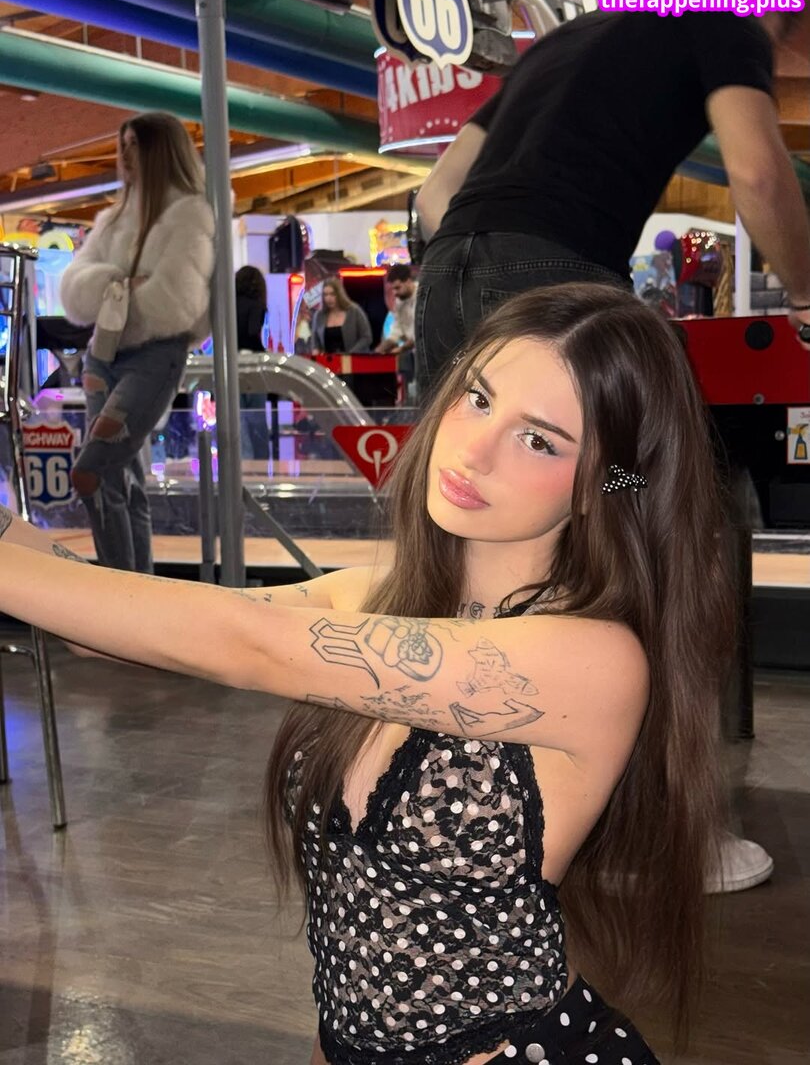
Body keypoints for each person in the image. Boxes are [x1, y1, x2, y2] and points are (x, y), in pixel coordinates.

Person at [0, 284, 736, 1064]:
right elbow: (132, 627)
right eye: (478, 398)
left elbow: (244, 642)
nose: (474, 449)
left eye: (538, 440)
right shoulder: (371, 597)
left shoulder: (592, 661)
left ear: (600, 483)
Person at [413, 9, 810, 392]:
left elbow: (432, 196)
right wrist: (805, 297)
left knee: (451, 436)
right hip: (557, 263)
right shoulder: (732, 20)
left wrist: (487, 254)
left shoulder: (558, 42)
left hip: (442, 272)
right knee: (594, 438)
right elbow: (759, 175)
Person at [60, 111, 214, 573]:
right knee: (120, 481)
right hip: (102, 354)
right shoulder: (112, 218)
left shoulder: (190, 214)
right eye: (122, 144)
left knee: (91, 471)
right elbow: (72, 292)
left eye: (134, 145)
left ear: (158, 149)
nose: (124, 155)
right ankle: (136, 585)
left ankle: (119, 590)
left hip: (155, 357)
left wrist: (111, 288)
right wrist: (123, 280)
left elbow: (175, 304)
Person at [235, 264, 271, 462]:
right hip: (253, 363)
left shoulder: (228, 304)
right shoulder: (257, 305)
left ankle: (241, 460)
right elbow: (252, 332)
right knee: (256, 416)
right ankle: (260, 462)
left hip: (230, 362)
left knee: (237, 418)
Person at [376, 264, 419, 402]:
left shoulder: (422, 296)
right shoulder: (400, 301)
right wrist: (383, 347)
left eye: (397, 287)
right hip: (412, 354)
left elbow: (418, 333)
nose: (395, 293)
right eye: (393, 289)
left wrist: (401, 348)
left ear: (408, 281)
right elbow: (397, 328)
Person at [311, 277, 373, 354]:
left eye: (332, 294)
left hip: (353, 358)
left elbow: (367, 337)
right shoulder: (319, 315)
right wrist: (316, 356)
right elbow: (315, 344)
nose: (328, 298)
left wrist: (350, 354)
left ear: (339, 294)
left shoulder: (354, 311)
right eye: (325, 295)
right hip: (328, 359)